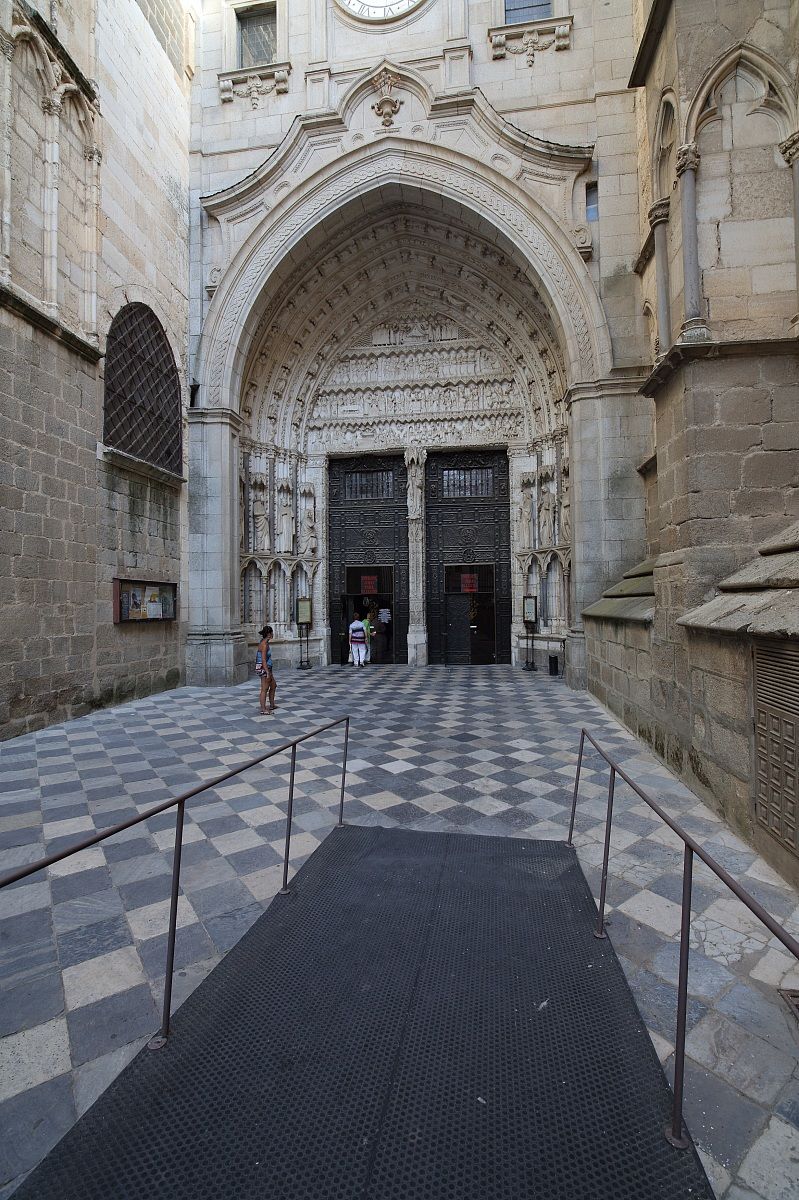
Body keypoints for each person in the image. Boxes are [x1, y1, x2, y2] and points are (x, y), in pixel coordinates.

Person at [255, 625, 277, 714]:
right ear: (269, 634)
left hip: (267, 668)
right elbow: (263, 660)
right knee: (264, 688)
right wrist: (267, 672)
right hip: (264, 668)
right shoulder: (264, 644)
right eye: (272, 632)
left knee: (273, 685)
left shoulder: (265, 642)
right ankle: (263, 709)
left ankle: (272, 705)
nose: (273, 634)